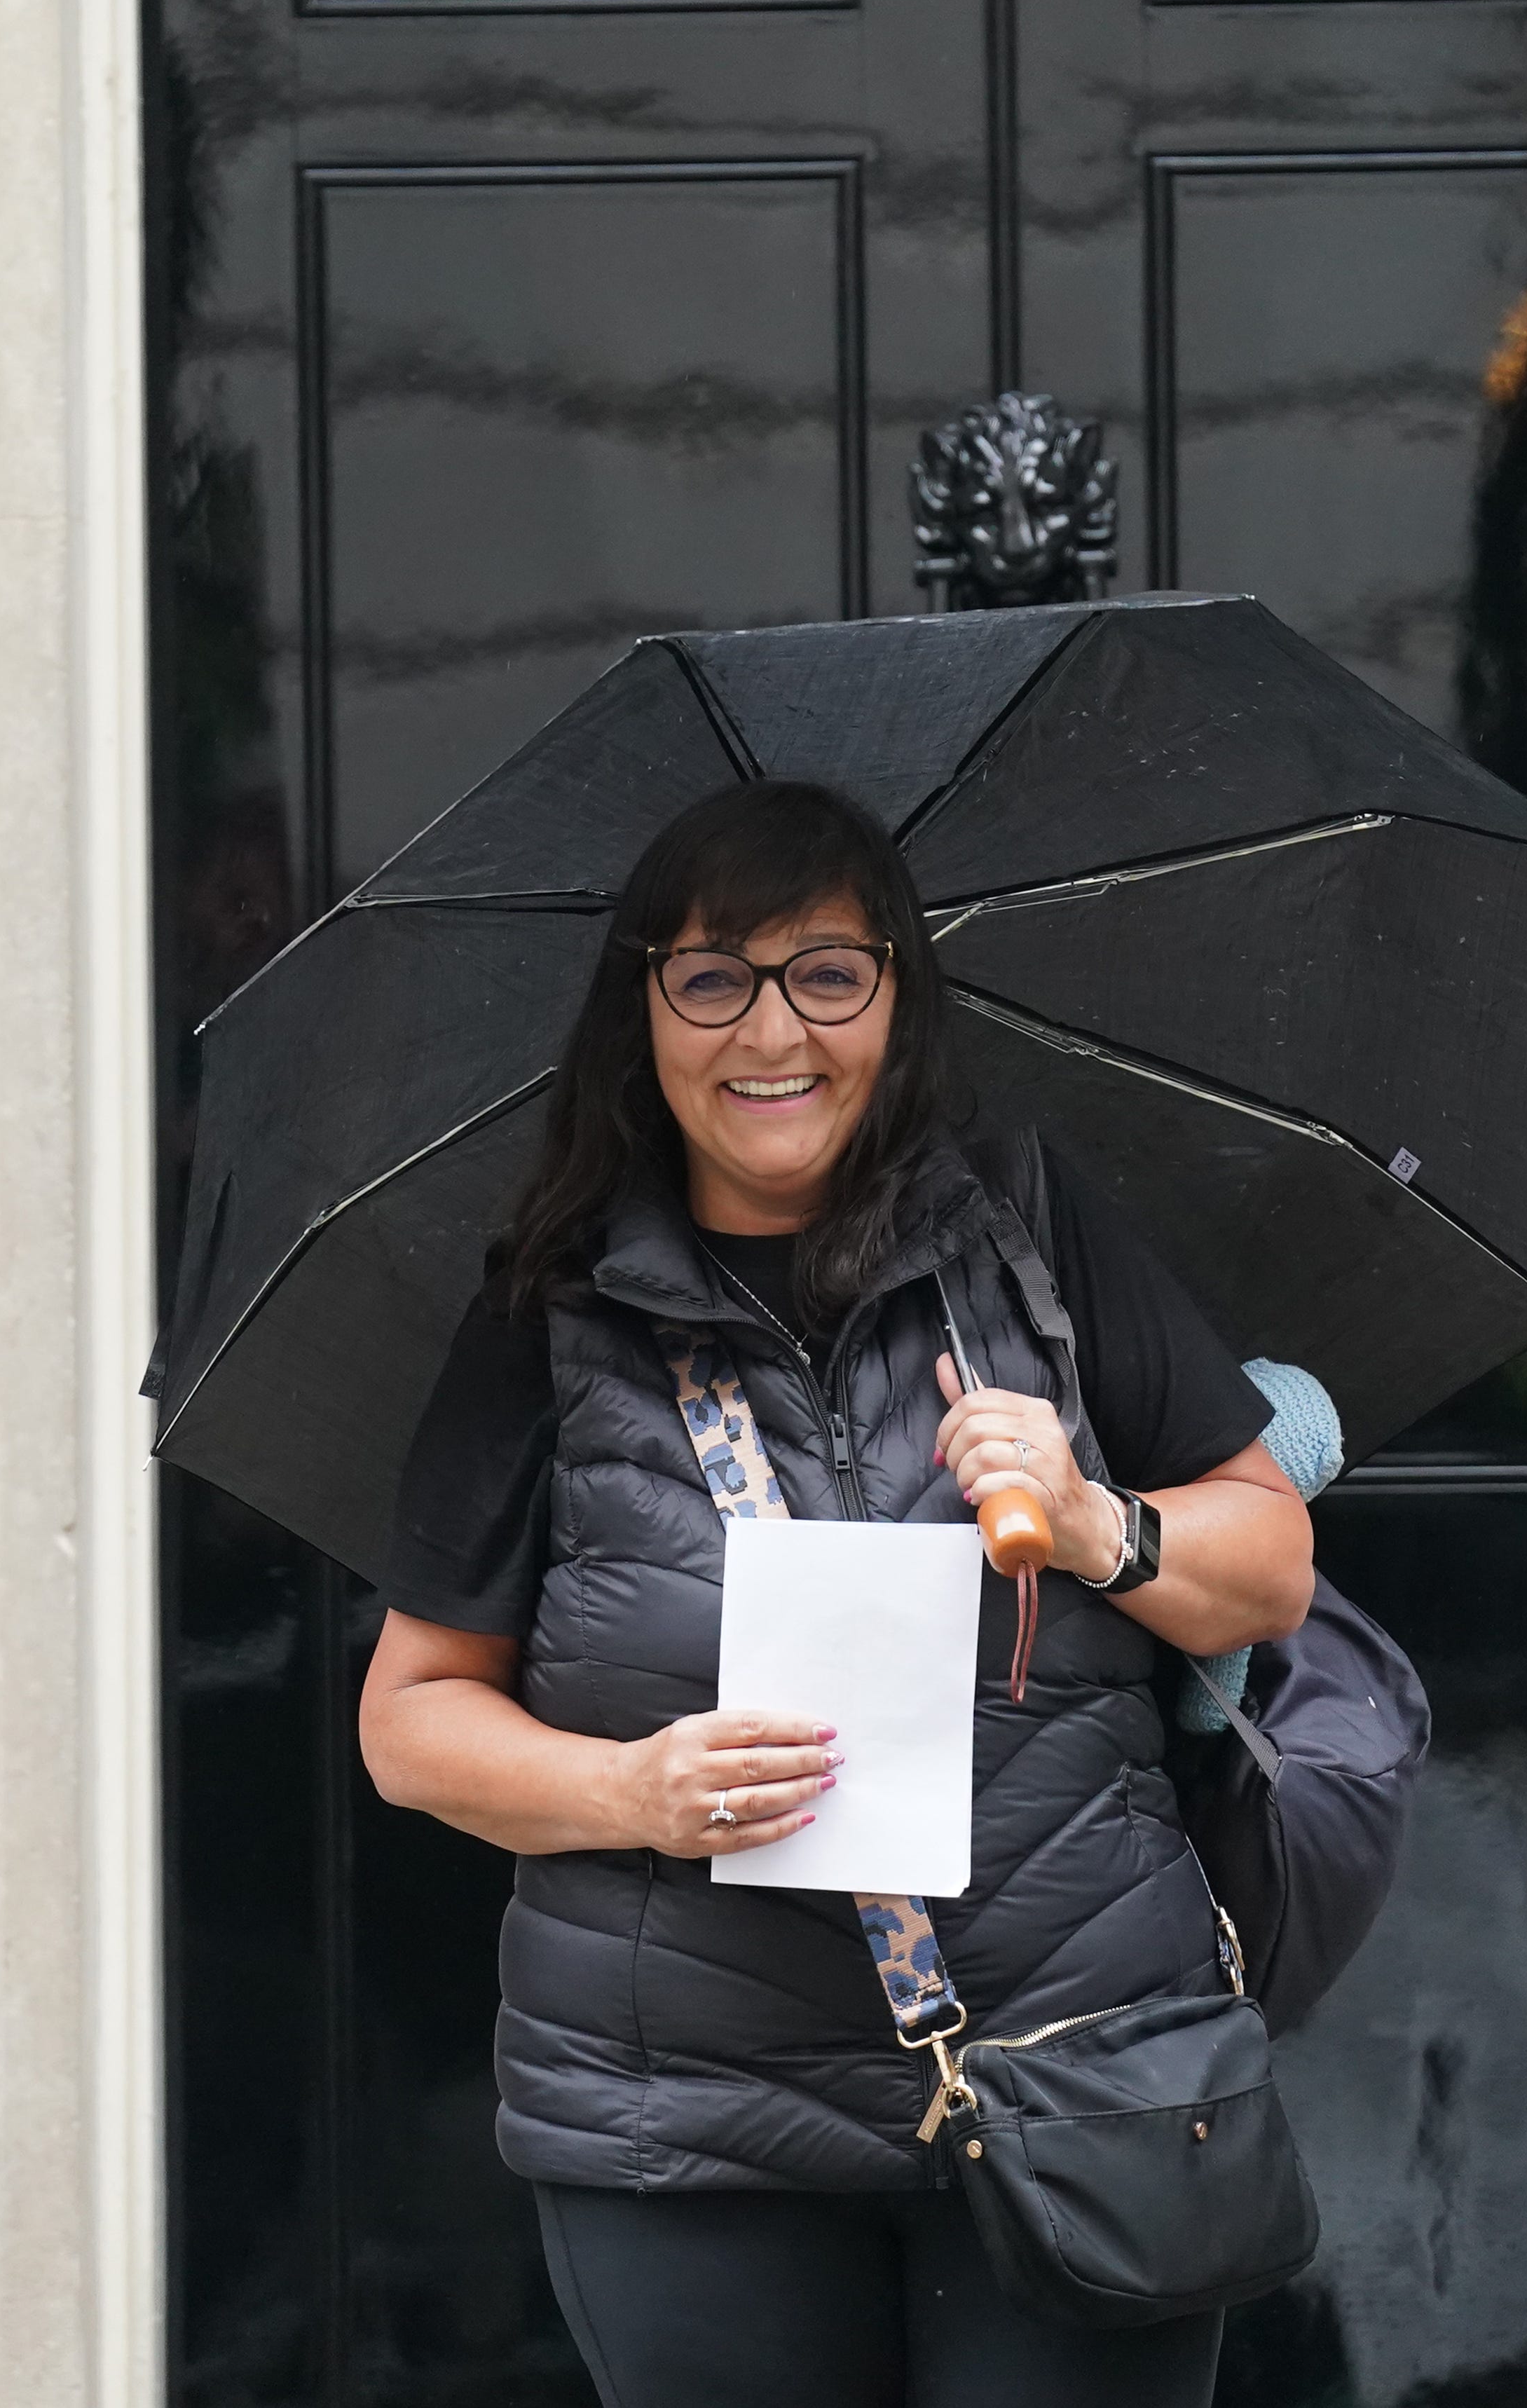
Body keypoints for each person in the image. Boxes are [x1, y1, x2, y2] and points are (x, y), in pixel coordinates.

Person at [361, 779, 1317, 2408]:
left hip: (1076, 2071)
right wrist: (630, 1788)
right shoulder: (550, 1309)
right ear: (640, 1011)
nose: (770, 1032)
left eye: (826, 973)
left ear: (894, 995)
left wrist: (1098, 1525)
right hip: (688, 2123)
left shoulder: (1028, 1234)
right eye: (711, 975)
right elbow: (410, 1720)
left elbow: (1265, 1563)